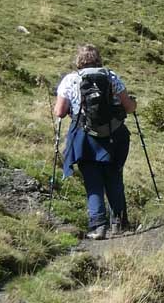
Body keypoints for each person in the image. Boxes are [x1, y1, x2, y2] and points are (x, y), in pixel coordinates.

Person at [54, 44, 137, 240]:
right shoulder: (111, 76)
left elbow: (59, 111)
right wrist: (134, 103)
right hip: (112, 136)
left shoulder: (70, 80)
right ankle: (120, 223)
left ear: (79, 60)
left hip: (83, 137)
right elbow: (128, 107)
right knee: (114, 177)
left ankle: (98, 226)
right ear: (98, 59)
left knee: (93, 182)